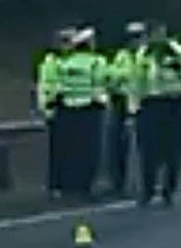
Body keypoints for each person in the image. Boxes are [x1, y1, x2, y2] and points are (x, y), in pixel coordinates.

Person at [132, 22, 181, 207]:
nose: (157, 37)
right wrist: (134, 105)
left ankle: (169, 189)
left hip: (175, 103)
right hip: (151, 104)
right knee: (148, 150)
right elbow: (136, 80)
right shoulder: (143, 54)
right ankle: (148, 190)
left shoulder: (179, 52)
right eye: (154, 34)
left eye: (160, 33)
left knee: (174, 149)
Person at [53, 26, 109, 199]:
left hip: (68, 109)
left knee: (72, 149)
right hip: (91, 108)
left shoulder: (65, 63)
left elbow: (59, 86)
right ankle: (86, 185)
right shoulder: (97, 62)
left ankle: (71, 185)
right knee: (90, 150)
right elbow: (102, 81)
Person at [104, 22, 146, 197]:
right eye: (131, 38)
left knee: (143, 145)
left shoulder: (149, 56)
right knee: (118, 144)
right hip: (121, 102)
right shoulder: (122, 56)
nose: (134, 42)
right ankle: (119, 183)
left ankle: (141, 183)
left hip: (144, 103)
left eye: (138, 37)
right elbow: (111, 76)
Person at [35, 27, 74, 199]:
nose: (67, 46)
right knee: (58, 150)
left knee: (71, 148)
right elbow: (45, 86)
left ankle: (68, 183)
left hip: (70, 107)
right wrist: (46, 107)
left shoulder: (71, 61)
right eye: (64, 42)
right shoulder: (51, 62)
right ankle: (55, 185)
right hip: (56, 107)